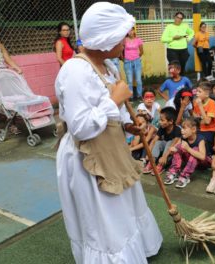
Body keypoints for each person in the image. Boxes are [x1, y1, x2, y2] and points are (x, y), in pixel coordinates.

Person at [54, 3, 162, 263]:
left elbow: (110, 113)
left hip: (112, 148)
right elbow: (80, 127)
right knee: (105, 217)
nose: (127, 41)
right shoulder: (75, 70)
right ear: (106, 39)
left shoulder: (108, 66)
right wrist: (113, 100)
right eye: (123, 36)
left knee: (124, 204)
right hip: (87, 159)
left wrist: (127, 125)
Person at [164, 117, 211, 188]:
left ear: (193, 129)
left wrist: (188, 148)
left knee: (195, 149)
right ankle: (174, 172)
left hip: (204, 163)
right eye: (181, 128)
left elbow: (202, 157)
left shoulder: (201, 139)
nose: (182, 131)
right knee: (178, 147)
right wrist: (172, 150)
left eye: (184, 128)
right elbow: (176, 148)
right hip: (190, 162)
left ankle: (185, 176)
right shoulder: (183, 137)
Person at [0, 26, 23, 135]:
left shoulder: (0, 46)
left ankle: (12, 124)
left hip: (3, 76)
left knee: (10, 100)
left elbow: (8, 59)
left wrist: (17, 68)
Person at [143, 107, 181, 175]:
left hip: (172, 151)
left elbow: (173, 144)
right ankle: (152, 162)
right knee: (158, 142)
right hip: (166, 148)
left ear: (171, 121)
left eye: (162, 120)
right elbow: (154, 141)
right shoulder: (162, 128)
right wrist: (148, 154)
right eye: (160, 119)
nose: (160, 122)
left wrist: (164, 157)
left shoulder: (177, 130)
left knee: (170, 142)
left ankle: (161, 165)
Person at [193, 82, 215, 154]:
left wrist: (200, 106)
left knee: (202, 141)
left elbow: (207, 122)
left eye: (199, 92)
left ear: (207, 94)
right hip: (199, 128)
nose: (197, 93)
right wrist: (200, 120)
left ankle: (207, 156)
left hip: (210, 130)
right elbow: (195, 118)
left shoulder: (211, 103)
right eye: (197, 91)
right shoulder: (196, 102)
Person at [124, 27, 144, 98]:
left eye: (131, 30)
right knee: (129, 81)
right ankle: (131, 96)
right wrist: (124, 58)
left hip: (137, 62)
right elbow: (121, 50)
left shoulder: (138, 40)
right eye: (128, 31)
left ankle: (140, 95)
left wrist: (136, 57)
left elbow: (142, 51)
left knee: (138, 80)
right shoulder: (124, 40)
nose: (130, 32)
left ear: (134, 31)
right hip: (127, 62)